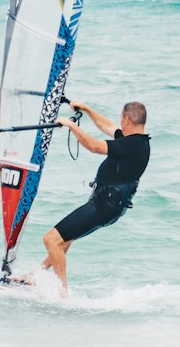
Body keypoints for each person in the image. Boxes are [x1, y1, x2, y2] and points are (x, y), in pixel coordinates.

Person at [32, 99, 150, 296]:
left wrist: (70, 125)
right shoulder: (137, 142)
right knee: (64, 239)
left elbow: (94, 146)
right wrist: (86, 109)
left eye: (122, 120)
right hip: (108, 204)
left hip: (104, 206)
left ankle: (62, 293)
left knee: (51, 240)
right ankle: (36, 275)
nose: (119, 124)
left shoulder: (131, 145)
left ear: (127, 119)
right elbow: (108, 126)